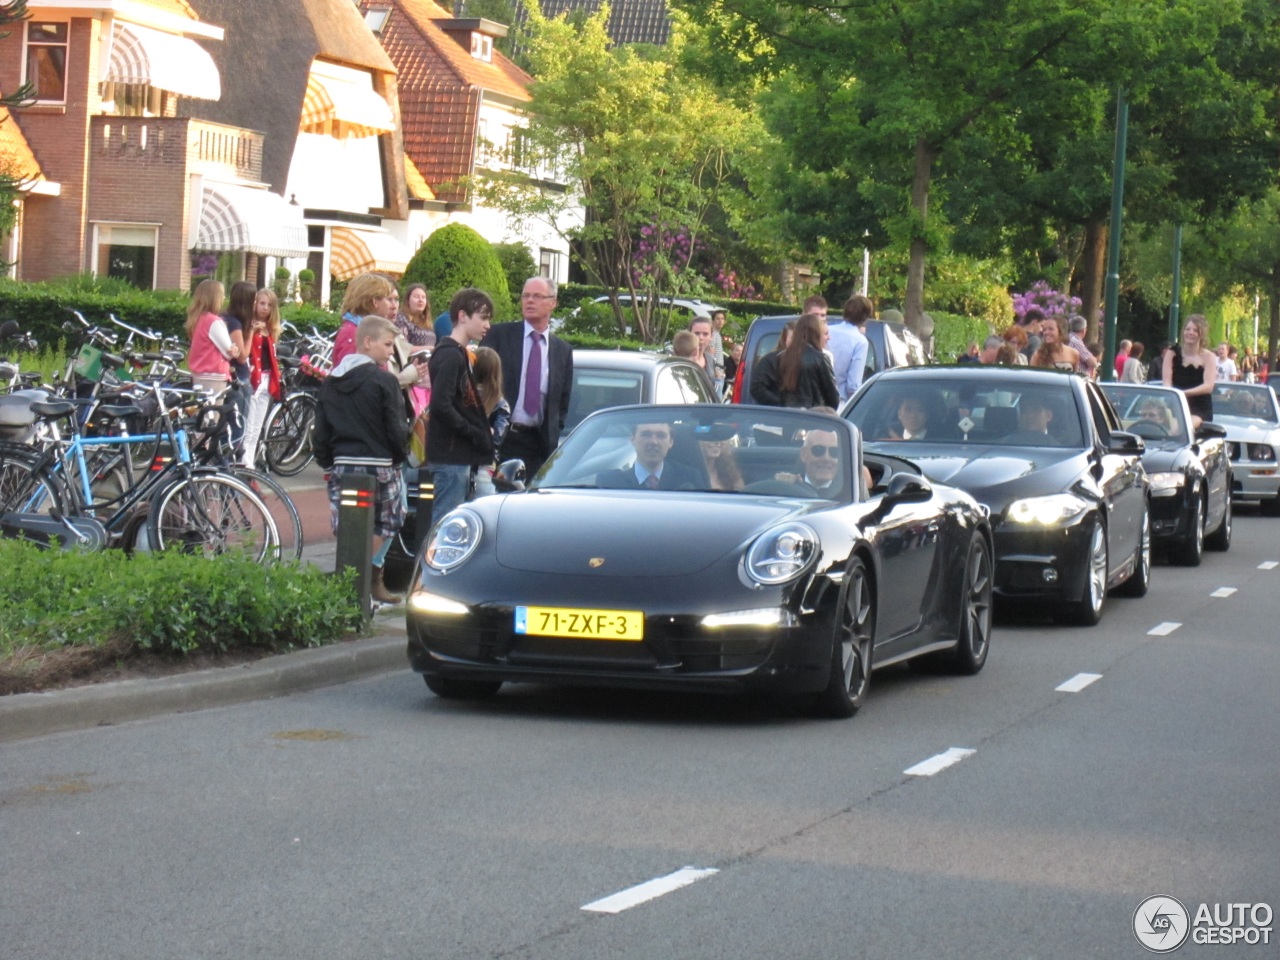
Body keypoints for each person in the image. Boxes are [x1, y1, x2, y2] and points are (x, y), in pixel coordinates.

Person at [312, 315, 409, 605]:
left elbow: (321, 429)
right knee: (392, 517)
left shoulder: (331, 382)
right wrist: (398, 457)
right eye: (388, 344)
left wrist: (328, 463)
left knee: (347, 523)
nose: (391, 351)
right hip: (379, 463)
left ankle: (354, 574)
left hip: (342, 463)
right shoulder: (384, 381)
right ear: (368, 342)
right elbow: (395, 427)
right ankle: (358, 573)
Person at [480, 276, 573, 478]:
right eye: (526, 296)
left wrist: (552, 434)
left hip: (537, 446)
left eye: (537, 296)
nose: (529, 301)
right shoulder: (499, 336)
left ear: (553, 303)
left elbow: (561, 403)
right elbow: (479, 383)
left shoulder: (562, 351)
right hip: (501, 438)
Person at [427, 288, 495, 523]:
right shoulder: (450, 355)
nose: (487, 325)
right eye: (483, 317)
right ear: (463, 315)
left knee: (453, 521)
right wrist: (473, 431)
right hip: (450, 456)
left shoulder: (458, 354)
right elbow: (440, 404)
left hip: (456, 456)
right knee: (445, 522)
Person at [753, 313, 839, 408]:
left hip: (788, 414)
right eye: (825, 333)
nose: (829, 338)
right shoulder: (820, 358)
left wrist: (779, 404)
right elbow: (833, 399)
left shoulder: (781, 357)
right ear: (816, 333)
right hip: (813, 416)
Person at [241, 288, 283, 469]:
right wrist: (251, 330)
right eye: (262, 303)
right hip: (254, 378)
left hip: (268, 380)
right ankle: (245, 462)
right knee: (249, 425)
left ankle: (248, 460)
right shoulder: (249, 325)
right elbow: (246, 352)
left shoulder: (271, 329)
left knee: (258, 426)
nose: (265, 308)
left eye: (269, 305)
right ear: (255, 304)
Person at [597, 421, 700, 489]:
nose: (653, 442)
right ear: (632, 439)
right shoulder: (609, 483)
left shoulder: (689, 479)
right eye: (646, 435)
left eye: (661, 436)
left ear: (671, 442)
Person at [469, 346, 512, 499]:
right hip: (485, 466)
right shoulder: (500, 404)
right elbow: (497, 439)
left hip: (461, 462)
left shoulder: (464, 396)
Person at [331, 273, 398, 367]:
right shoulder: (354, 333)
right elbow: (351, 377)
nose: (392, 306)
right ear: (375, 302)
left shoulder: (360, 329)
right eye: (388, 299)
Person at [1164, 314, 1217, 426]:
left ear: (1201, 334)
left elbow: (1208, 386)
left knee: (1186, 426)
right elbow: (1166, 382)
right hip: (1176, 404)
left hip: (1199, 408)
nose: (1190, 333)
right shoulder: (1171, 353)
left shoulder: (1209, 357)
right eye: (1188, 329)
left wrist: (1183, 393)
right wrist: (1174, 395)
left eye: (1195, 330)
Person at [185, 279, 235, 397]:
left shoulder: (197, 319)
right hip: (214, 376)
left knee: (203, 411)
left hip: (199, 374)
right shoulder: (214, 321)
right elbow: (228, 352)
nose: (223, 299)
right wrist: (235, 350)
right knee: (213, 413)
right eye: (222, 295)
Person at [829, 294, 872, 402]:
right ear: (865, 317)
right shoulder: (860, 341)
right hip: (839, 400)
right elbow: (853, 385)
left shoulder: (827, 330)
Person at [688, 316, 718, 393]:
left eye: (705, 334)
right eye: (697, 333)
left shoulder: (710, 360)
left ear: (711, 336)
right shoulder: (682, 359)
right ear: (689, 334)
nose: (700, 337)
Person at [709, 309, 727, 393]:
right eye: (717, 319)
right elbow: (710, 355)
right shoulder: (713, 335)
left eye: (722, 319)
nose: (720, 321)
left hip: (719, 373)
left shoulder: (717, 334)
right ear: (712, 321)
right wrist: (716, 372)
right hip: (716, 376)